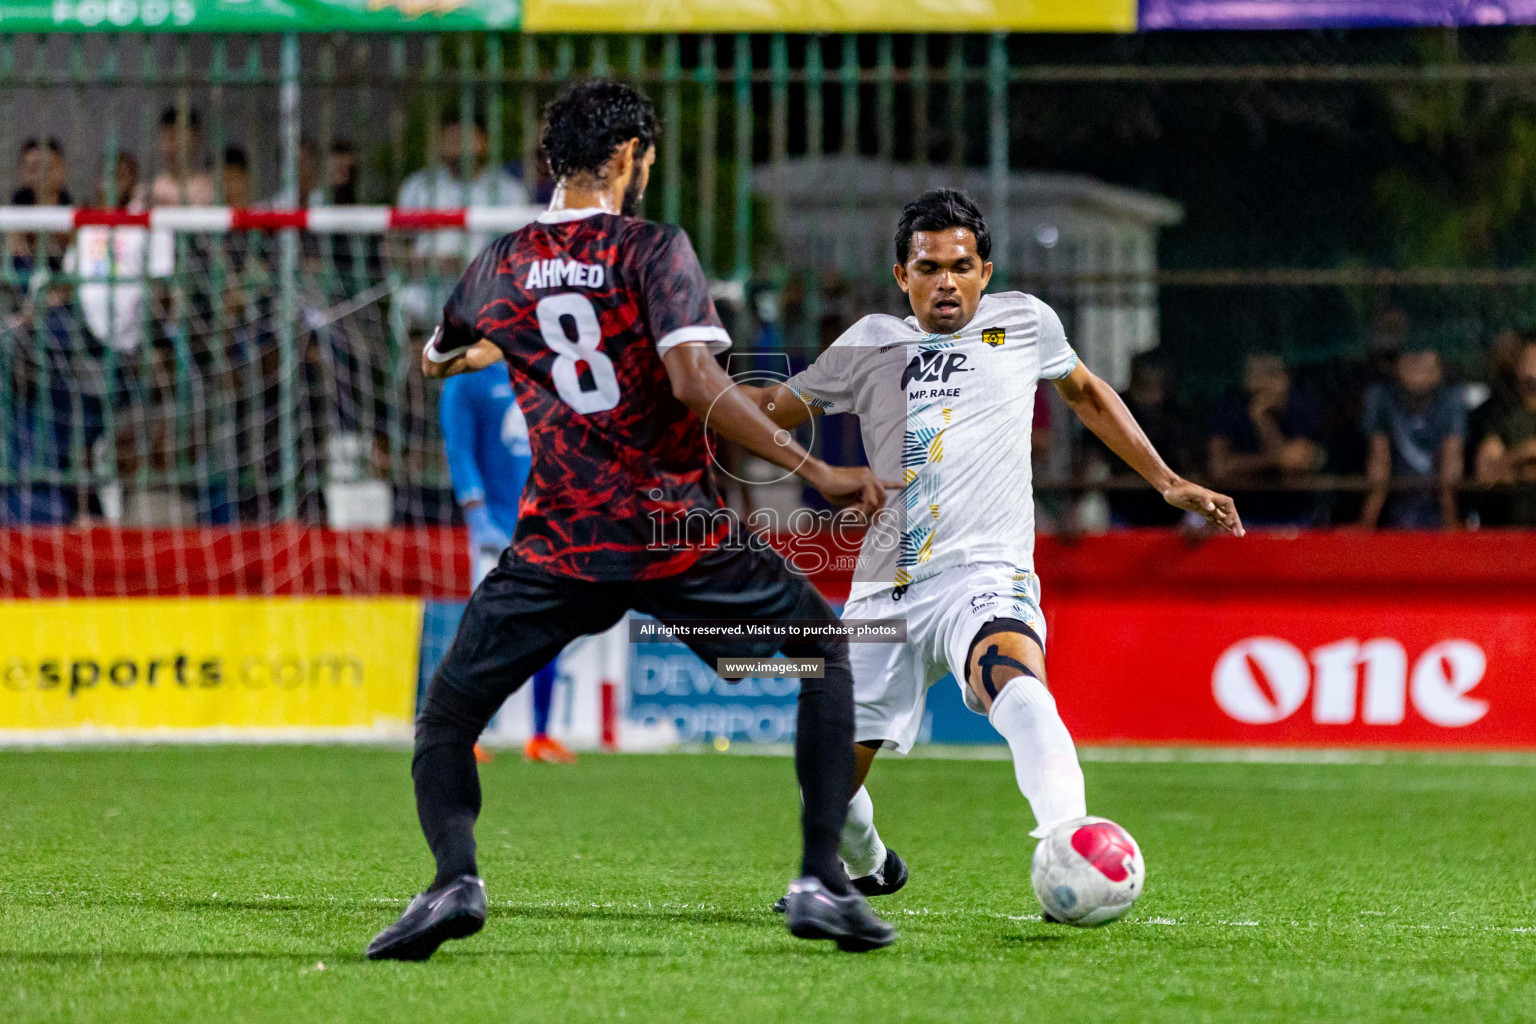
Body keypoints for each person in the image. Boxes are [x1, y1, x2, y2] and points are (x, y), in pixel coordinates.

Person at [367, 80, 899, 962]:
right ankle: (818, 879)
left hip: (560, 548)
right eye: (645, 160)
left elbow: (439, 359)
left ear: (552, 162)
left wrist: (516, 337)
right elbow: (695, 383)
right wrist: (817, 470)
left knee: (449, 718)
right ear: (627, 158)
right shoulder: (652, 250)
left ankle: (454, 878)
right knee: (822, 648)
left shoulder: (498, 262)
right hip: (667, 535)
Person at [740, 189, 1242, 913]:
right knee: (824, 777)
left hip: (985, 573)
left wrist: (1164, 480)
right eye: (929, 267)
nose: (946, 280)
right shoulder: (868, 343)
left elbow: (1087, 393)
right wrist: (701, 403)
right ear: (901, 276)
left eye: (961, 265)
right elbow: (771, 413)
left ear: (985, 271)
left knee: (1014, 673)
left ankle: (1070, 834)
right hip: (886, 586)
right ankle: (872, 865)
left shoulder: (1025, 322)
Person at [438, 364, 573, 765]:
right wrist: (476, 513)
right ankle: (461, 733)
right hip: (495, 528)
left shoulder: (539, 368)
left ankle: (541, 735)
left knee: (551, 627)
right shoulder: (464, 380)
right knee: (486, 630)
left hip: (543, 525)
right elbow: (459, 451)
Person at [395, 116, 528, 331]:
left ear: (484, 141)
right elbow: (393, 248)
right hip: (421, 301)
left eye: (465, 136)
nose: (457, 143)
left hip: (486, 304)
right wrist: (427, 264)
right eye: (451, 136)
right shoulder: (418, 186)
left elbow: (521, 257)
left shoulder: (509, 191)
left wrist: (470, 266)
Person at [1207, 351, 1325, 526]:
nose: (1264, 382)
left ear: (1285, 378)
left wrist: (1262, 419)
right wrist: (1275, 458)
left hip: (1294, 515)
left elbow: (1294, 468)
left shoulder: (1300, 406)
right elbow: (1219, 469)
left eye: (1272, 373)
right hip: (1242, 514)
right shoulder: (1230, 407)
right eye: (1257, 374)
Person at [1361, 347, 1466, 531]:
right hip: (1392, 518)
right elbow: (1379, 462)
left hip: (1436, 517)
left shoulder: (1452, 400)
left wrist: (1451, 526)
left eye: (1426, 352)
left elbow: (1452, 462)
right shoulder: (1380, 397)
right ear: (1396, 365)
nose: (1418, 360)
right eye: (1410, 354)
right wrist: (1367, 525)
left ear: (1440, 369)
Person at [1475, 335, 1536, 526]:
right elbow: (1488, 474)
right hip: (1509, 531)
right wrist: (1526, 452)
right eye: (1529, 360)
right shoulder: (1498, 414)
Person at [148, 107, 214, 207]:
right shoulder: (151, 190)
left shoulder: (210, 189)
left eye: (175, 138)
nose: (170, 147)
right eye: (165, 138)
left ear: (196, 138)